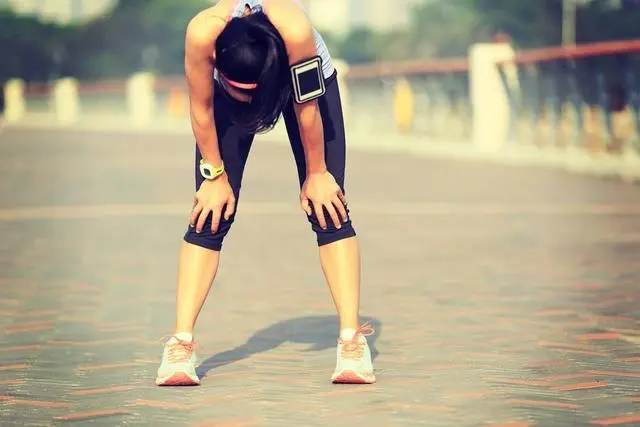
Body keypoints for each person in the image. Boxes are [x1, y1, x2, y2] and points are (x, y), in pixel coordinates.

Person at [155, 0, 375, 386]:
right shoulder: (202, 33)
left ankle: (351, 343)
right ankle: (180, 345)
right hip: (224, 94)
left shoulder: (295, 33)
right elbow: (201, 109)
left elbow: (308, 111)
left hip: (296, 84)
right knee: (210, 213)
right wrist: (214, 175)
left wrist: (318, 172)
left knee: (328, 207)